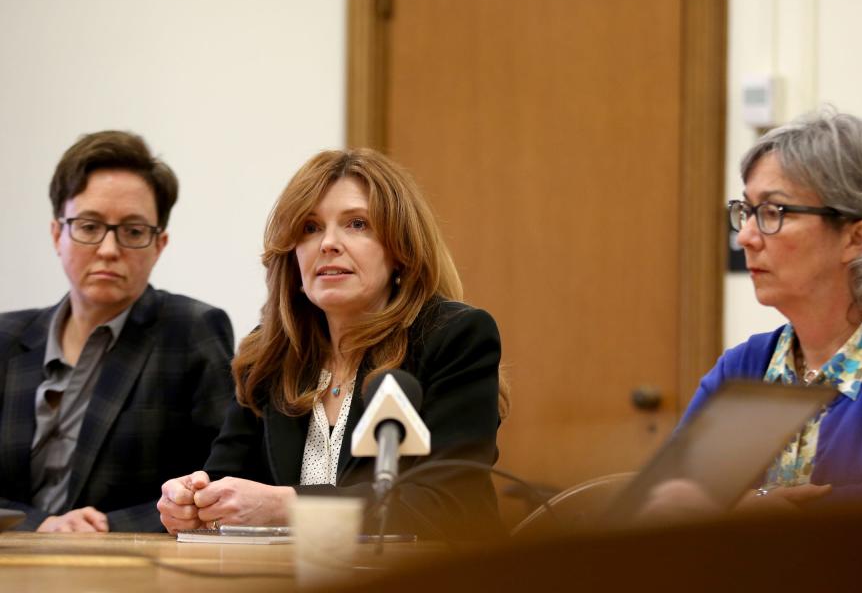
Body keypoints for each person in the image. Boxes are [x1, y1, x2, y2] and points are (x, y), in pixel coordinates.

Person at [157, 148, 505, 539]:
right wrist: (196, 502)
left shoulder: (453, 337)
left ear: (401, 250)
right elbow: (229, 480)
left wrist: (286, 507)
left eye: (357, 224)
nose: (328, 244)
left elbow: (447, 506)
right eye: (309, 228)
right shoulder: (270, 353)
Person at [682, 110, 862, 509]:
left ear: (856, 238)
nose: (744, 236)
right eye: (746, 211)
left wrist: (741, 509)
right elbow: (670, 511)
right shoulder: (742, 367)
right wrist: (768, 505)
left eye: (773, 212)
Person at [0, 131, 235, 532]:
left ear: (159, 244)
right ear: (58, 235)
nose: (109, 249)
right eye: (88, 226)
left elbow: (222, 478)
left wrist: (106, 526)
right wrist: (42, 525)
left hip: (136, 568)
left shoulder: (193, 332)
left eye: (132, 231)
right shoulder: (6, 339)